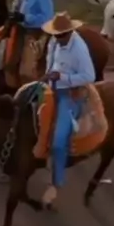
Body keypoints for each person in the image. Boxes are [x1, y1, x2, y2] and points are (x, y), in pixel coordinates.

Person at [34, 11, 96, 203]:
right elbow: (51, 60)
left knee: (59, 142)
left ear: (69, 32)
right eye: (55, 34)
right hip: (51, 87)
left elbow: (89, 76)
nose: (57, 38)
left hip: (69, 94)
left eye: (61, 35)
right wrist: (48, 75)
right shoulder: (54, 41)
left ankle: (56, 183)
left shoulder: (79, 49)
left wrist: (63, 77)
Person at [5, 0, 54, 85]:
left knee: (26, 71)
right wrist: (14, 14)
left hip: (35, 32)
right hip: (21, 27)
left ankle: (32, 87)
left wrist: (25, 17)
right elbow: (18, 2)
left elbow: (47, 18)